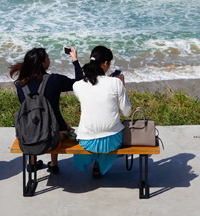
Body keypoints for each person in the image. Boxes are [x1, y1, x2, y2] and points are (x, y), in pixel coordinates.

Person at [10, 46, 82, 173]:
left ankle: (31, 163)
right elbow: (79, 83)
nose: (49, 59)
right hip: (53, 137)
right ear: (42, 63)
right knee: (60, 128)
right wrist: (75, 60)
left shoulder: (20, 85)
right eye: (47, 57)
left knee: (34, 123)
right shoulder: (54, 80)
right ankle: (53, 164)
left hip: (29, 135)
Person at [72, 45, 131, 179]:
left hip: (86, 141)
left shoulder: (77, 85)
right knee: (113, 132)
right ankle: (100, 166)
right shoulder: (115, 83)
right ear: (105, 63)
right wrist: (121, 87)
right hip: (112, 141)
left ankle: (96, 164)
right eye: (109, 63)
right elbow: (127, 112)